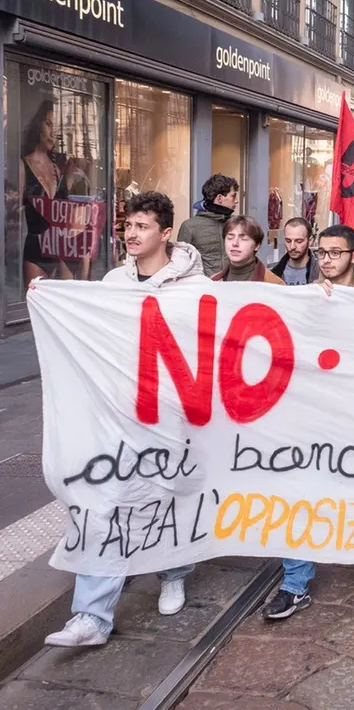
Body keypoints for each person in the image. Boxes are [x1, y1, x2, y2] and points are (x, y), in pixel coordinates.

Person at [44, 192, 206, 648]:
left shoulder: (196, 289)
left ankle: (174, 571)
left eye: (142, 227)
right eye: (128, 226)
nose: (131, 235)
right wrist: (50, 298)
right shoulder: (114, 280)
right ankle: (92, 617)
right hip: (115, 414)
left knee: (167, 497)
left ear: (165, 233)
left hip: (170, 415)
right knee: (105, 504)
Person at [262, 225, 354, 623]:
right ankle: (295, 584)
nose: (326, 260)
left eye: (335, 253)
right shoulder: (300, 298)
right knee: (299, 495)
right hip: (311, 414)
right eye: (321, 252)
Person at [20, 100, 70, 282]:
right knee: (35, 307)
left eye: (56, 127)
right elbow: (13, 212)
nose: (53, 132)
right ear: (38, 125)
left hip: (60, 248)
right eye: (48, 124)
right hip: (36, 250)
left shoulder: (58, 169)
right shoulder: (23, 166)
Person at [178, 174, 239, 276]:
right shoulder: (190, 227)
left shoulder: (237, 224)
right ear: (220, 198)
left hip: (234, 287)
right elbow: (181, 264)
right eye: (233, 196)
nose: (236, 201)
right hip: (204, 288)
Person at [211, 216, 285, 284]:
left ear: (257, 245)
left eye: (243, 239)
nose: (235, 243)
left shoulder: (274, 284)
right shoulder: (214, 281)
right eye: (230, 238)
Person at [271, 217, 320, 285]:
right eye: (288, 241)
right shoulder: (272, 274)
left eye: (299, 241)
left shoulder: (322, 273)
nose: (292, 246)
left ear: (310, 241)